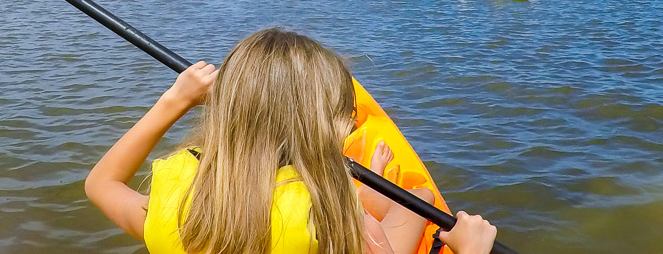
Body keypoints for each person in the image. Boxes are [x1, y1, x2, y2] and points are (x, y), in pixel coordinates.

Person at [85, 29, 498, 254]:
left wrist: (174, 100)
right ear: (318, 131)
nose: (351, 123)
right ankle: (375, 185)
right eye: (346, 116)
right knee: (417, 196)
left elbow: (101, 185)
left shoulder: (179, 211)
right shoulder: (334, 224)